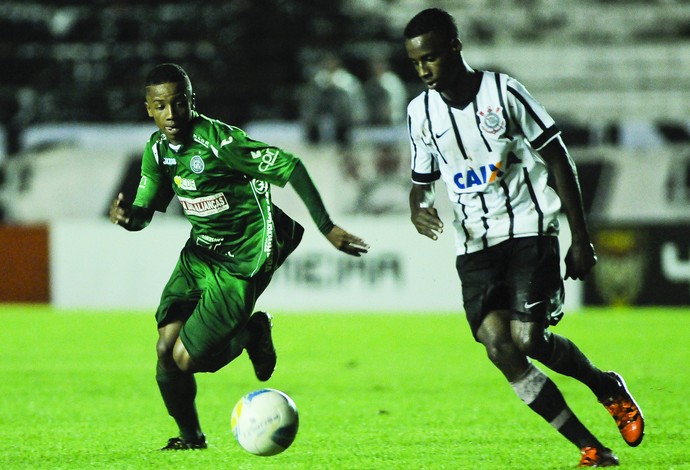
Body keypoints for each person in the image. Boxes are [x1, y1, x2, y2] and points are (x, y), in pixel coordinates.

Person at [403, 9, 643, 468]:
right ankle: (591, 449)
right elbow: (421, 179)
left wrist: (581, 238)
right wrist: (419, 207)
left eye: (430, 58)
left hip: (528, 229)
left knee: (529, 339)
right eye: (415, 62)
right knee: (498, 345)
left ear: (455, 47)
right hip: (473, 243)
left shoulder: (503, 92)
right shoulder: (419, 113)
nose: (423, 70)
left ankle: (605, 387)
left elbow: (559, 158)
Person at [109, 63, 369, 450]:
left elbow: (290, 166)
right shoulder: (157, 150)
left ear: (191, 102)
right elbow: (143, 213)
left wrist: (327, 227)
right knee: (165, 348)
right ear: (149, 109)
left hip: (243, 260)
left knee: (186, 359)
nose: (171, 115)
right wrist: (129, 218)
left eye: (179, 104)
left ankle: (252, 332)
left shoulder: (220, 142)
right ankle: (191, 438)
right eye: (160, 106)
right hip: (200, 254)